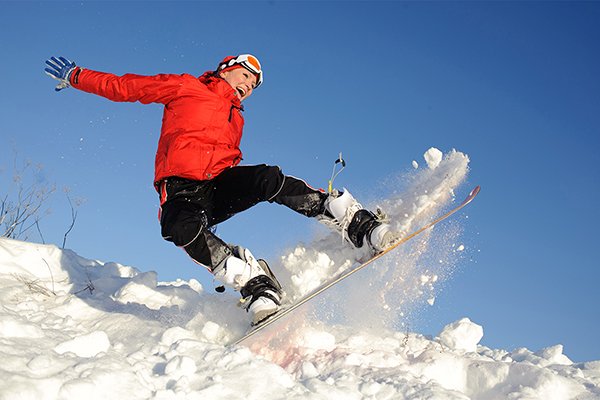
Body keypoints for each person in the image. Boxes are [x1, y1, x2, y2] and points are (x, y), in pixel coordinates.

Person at [44, 54, 395, 325]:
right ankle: (255, 282)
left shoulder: (236, 114)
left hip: (220, 182)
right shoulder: (186, 86)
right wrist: (77, 76)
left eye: (254, 86)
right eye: (246, 76)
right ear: (226, 68)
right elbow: (126, 87)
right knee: (178, 227)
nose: (249, 87)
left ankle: (351, 221)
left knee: (267, 177)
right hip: (181, 189)